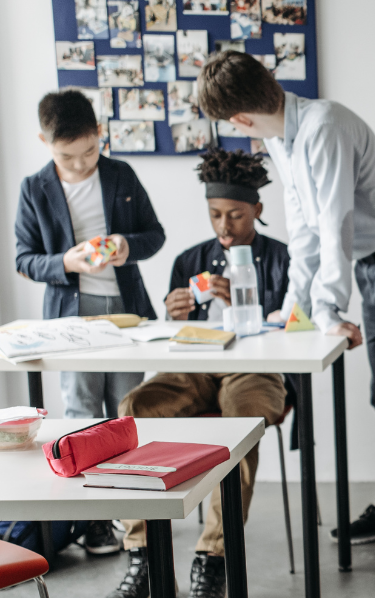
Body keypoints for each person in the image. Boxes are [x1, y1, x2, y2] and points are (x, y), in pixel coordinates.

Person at [196, 51, 375, 596]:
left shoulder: (325, 125)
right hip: (374, 267)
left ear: (238, 120)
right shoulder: (281, 136)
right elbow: (305, 232)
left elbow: (334, 220)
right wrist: (295, 309)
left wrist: (326, 309)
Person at [105, 147, 289, 598]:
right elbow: (168, 336)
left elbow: (296, 328)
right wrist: (173, 313)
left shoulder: (285, 259)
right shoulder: (190, 260)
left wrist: (246, 305)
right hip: (195, 364)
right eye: (215, 215)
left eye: (236, 215)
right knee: (135, 407)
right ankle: (143, 552)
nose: (225, 226)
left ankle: (214, 557)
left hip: (257, 367)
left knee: (241, 426)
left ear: (257, 211)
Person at [15, 89, 165, 557]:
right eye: (67, 155)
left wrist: (125, 245)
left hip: (124, 314)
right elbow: (24, 259)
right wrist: (66, 262)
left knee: (126, 412)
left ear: (100, 134)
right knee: (81, 416)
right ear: (44, 141)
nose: (80, 164)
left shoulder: (121, 173)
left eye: (89, 151)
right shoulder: (34, 187)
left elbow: (154, 235)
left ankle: (131, 515)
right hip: (70, 319)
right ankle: (94, 521)